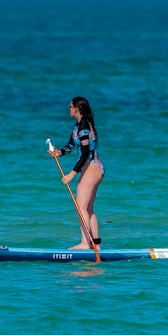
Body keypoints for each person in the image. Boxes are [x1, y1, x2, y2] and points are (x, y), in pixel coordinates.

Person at [48, 96, 104, 250]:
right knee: (88, 208)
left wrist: (71, 174)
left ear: (77, 108)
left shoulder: (84, 126)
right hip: (92, 167)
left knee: (81, 207)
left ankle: (86, 243)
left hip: (91, 167)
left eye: (70, 106)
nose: (69, 107)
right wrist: (60, 152)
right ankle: (96, 245)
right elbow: (72, 144)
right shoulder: (78, 125)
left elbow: (85, 153)